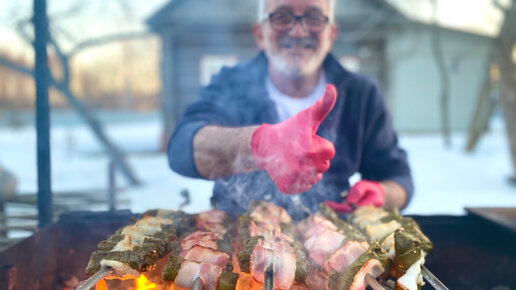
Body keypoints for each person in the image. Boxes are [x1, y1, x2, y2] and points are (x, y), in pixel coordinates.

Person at [167, 0, 413, 220]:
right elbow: (181, 148)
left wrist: (382, 194)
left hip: (331, 246)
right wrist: (260, 144)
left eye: (314, 17)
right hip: (235, 243)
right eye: (282, 16)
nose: (298, 30)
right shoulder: (229, 84)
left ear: (331, 34)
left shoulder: (361, 94)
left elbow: (399, 178)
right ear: (260, 34)